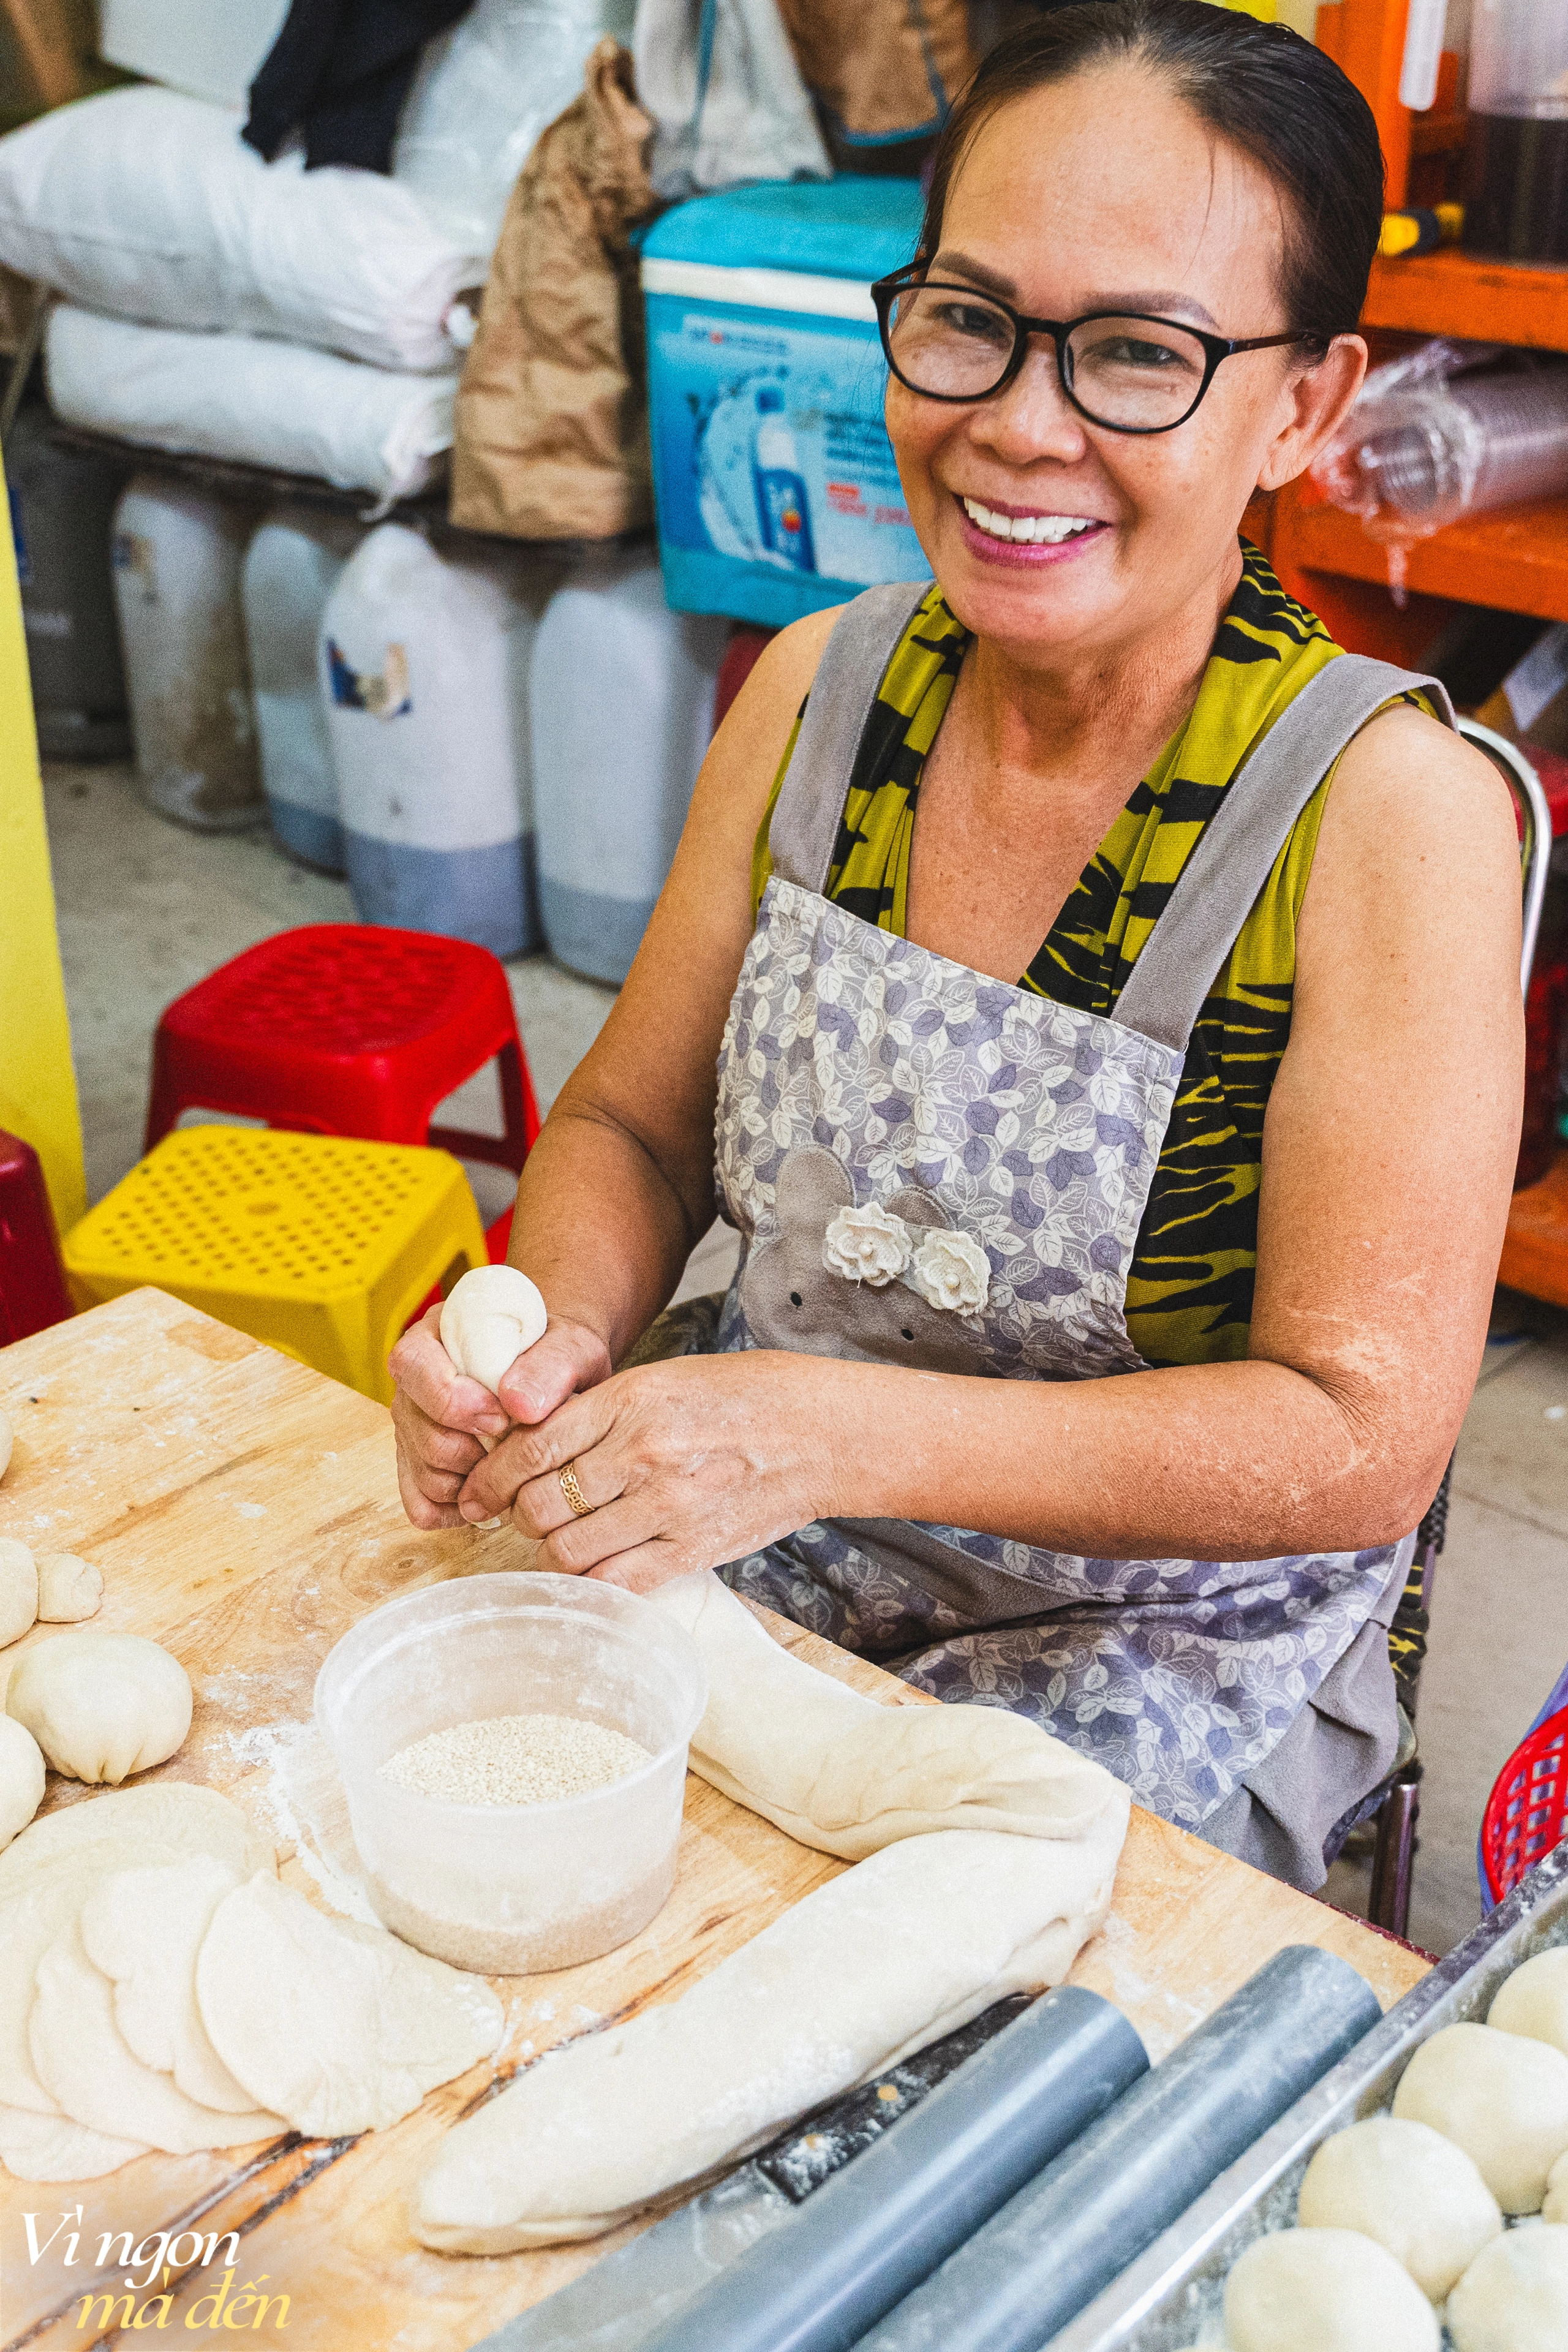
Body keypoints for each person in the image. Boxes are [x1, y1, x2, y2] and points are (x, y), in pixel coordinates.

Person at [390, 0, 1523, 1891]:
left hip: (1169, 1630)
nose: (1017, 423)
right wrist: (559, 1347)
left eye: (1138, 356)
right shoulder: (822, 693)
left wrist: (817, 1428)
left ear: (1305, 409)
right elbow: (636, 1137)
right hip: (768, 1505)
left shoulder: (1386, 819)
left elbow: (1351, 1438)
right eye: (971, 318)